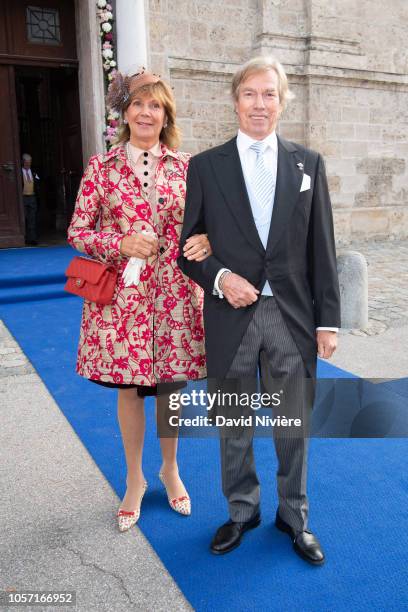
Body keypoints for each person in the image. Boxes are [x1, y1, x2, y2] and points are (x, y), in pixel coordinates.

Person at [178, 56, 340, 564]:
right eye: (250, 93)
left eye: (269, 94)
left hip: (291, 316)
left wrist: (327, 320)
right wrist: (222, 279)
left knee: (293, 422)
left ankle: (294, 516)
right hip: (231, 314)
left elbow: (323, 247)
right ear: (235, 100)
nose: (259, 103)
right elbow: (189, 245)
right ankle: (241, 511)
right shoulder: (205, 166)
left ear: (282, 101)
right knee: (233, 420)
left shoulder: (307, 164)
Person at [67, 68, 212, 532]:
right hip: (122, 298)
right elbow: (77, 232)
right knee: (128, 388)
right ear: (124, 112)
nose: (146, 112)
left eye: (155, 104)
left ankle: (169, 470)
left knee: (170, 385)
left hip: (173, 294)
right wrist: (119, 242)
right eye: (137, 104)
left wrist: (207, 241)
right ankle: (133, 480)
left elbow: (208, 225)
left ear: (165, 112)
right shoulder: (100, 168)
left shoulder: (189, 166)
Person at [21, 153, 40, 245]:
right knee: (24, 217)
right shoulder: (19, 172)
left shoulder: (34, 172)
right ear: (23, 162)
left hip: (32, 197)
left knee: (32, 218)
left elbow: (38, 183)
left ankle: (32, 239)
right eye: (27, 162)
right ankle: (23, 239)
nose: (28, 164)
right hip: (23, 198)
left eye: (30, 162)